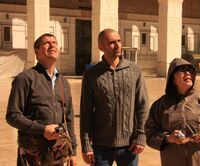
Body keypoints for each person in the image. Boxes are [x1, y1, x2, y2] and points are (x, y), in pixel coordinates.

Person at [80, 28, 149, 166]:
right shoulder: (91, 74)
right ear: (101, 47)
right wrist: (86, 144)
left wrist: (141, 135)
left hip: (130, 147)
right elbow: (86, 112)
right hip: (100, 147)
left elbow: (142, 105)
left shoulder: (135, 70)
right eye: (112, 42)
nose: (117, 45)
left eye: (119, 41)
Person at [6, 33, 77, 166]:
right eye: (47, 43)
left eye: (54, 42)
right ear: (37, 51)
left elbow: (69, 119)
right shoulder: (25, 79)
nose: (52, 45)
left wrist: (73, 151)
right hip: (31, 156)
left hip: (57, 155)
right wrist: (42, 129)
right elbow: (12, 116)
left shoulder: (63, 83)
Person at [145, 58, 200, 166]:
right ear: (172, 79)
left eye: (190, 70)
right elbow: (150, 134)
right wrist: (168, 138)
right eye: (182, 70)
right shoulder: (160, 105)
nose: (188, 73)